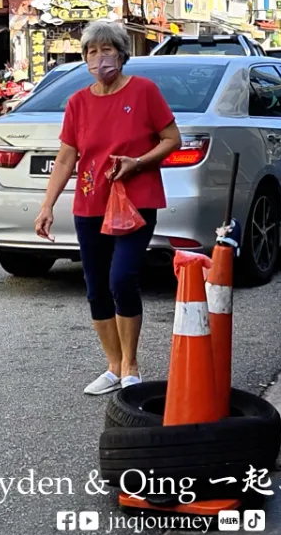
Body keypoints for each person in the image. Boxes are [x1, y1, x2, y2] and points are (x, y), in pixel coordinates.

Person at [34, 20, 181, 395]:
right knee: (96, 287)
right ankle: (113, 366)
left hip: (136, 200)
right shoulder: (78, 102)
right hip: (90, 202)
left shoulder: (145, 91)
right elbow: (67, 157)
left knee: (122, 279)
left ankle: (131, 364)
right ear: (84, 59)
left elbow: (172, 138)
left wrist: (139, 163)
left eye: (107, 50)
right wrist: (47, 205)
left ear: (121, 53)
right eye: (92, 52)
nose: (100, 58)